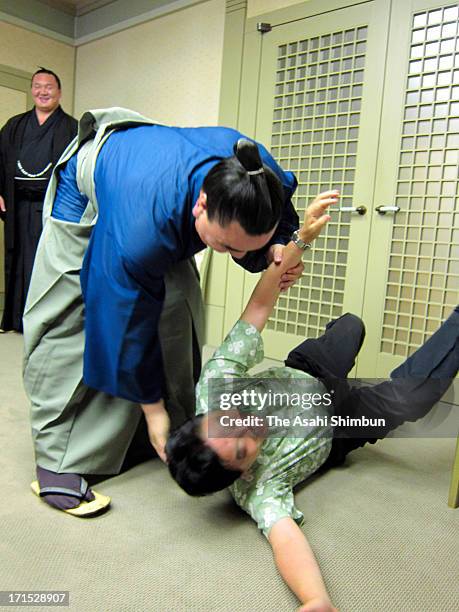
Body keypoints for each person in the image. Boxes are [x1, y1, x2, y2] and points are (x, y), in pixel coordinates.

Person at [166, 191, 459, 612]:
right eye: (245, 447)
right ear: (240, 473)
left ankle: (336, 339)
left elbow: (259, 305)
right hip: (339, 427)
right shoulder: (258, 492)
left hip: (306, 372)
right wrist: (314, 598)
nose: (250, 425)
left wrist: (301, 238)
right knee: (415, 399)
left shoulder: (216, 384)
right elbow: (286, 539)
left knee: (351, 327)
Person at [24, 107, 304, 516]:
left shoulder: (257, 174)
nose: (239, 257)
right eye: (227, 247)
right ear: (202, 206)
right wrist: (151, 409)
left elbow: (277, 221)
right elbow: (120, 320)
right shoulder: (141, 231)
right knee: (76, 321)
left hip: (160, 177)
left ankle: (166, 427)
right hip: (90, 188)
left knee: (176, 308)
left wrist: (276, 245)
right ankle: (58, 461)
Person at [0, 67, 77, 332]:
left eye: (49, 87)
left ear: (59, 92)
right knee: (17, 258)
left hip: (53, 207)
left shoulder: (72, 127)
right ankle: (13, 318)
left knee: (48, 262)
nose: (42, 91)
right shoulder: (15, 125)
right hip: (17, 203)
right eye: (37, 86)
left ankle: (46, 323)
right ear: (32, 90)